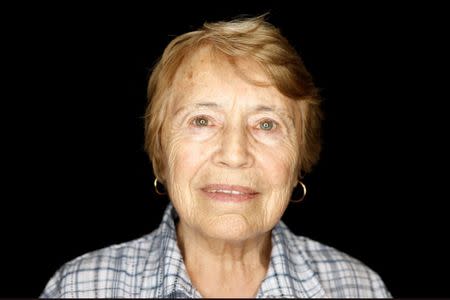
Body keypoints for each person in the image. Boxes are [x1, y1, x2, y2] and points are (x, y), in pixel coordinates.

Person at [40, 14, 391, 298]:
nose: (235, 155)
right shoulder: (77, 287)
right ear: (161, 152)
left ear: (300, 158)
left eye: (266, 124)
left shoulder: (360, 288)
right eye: (203, 120)